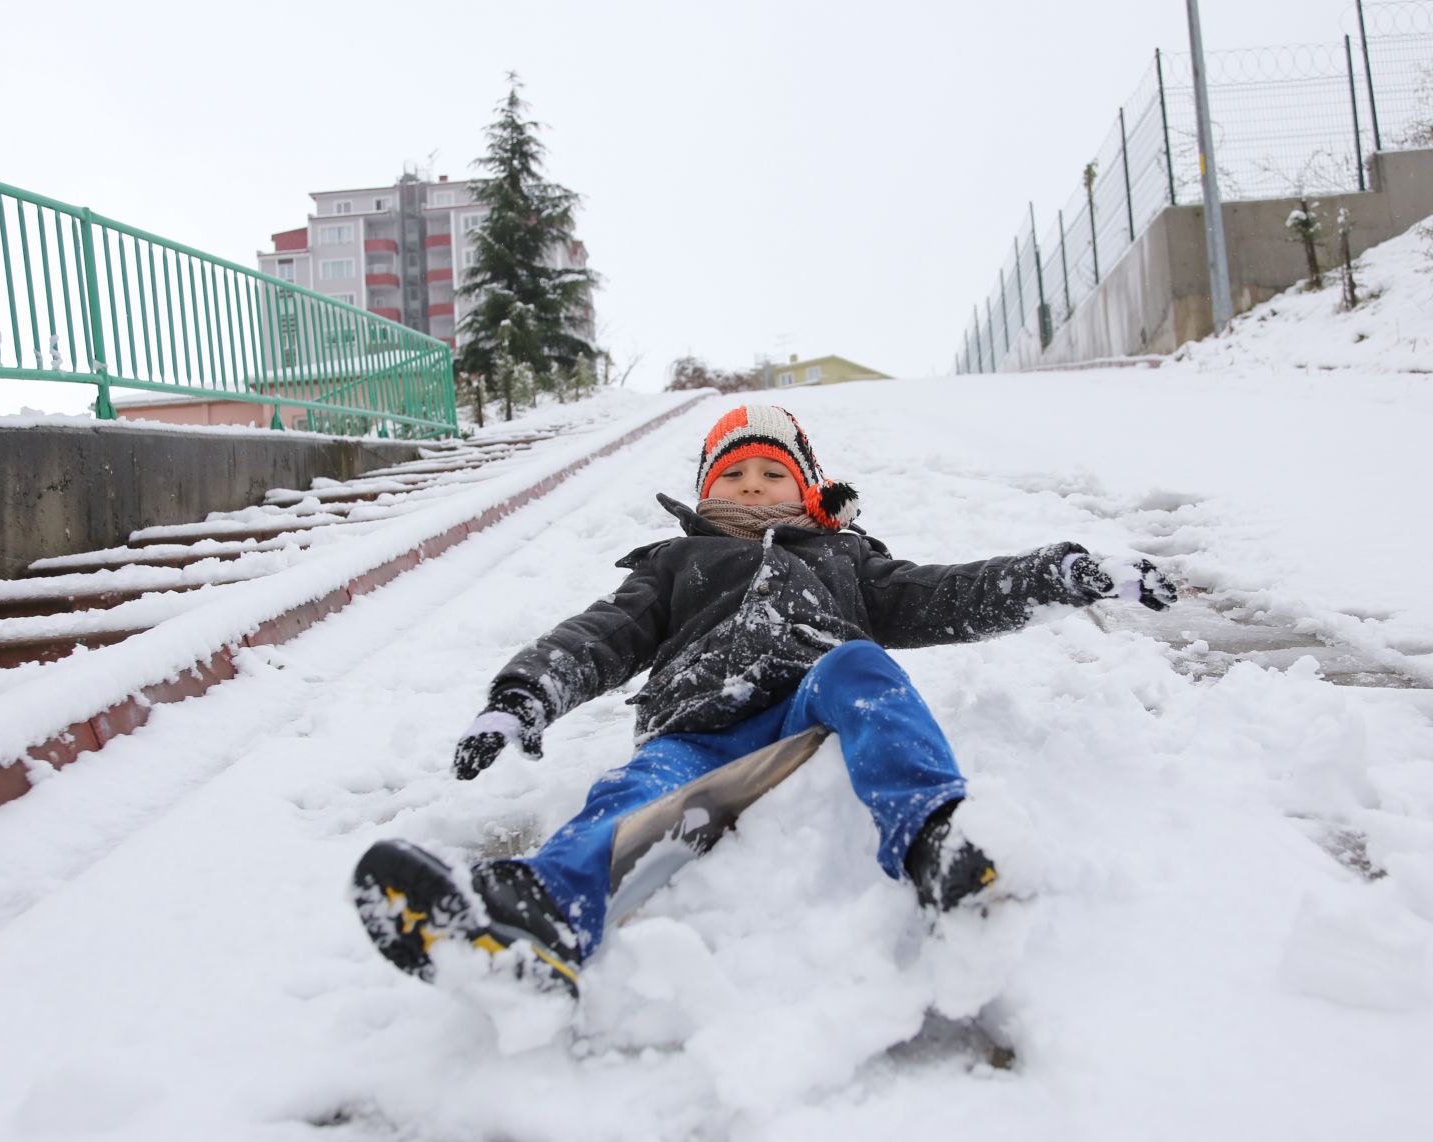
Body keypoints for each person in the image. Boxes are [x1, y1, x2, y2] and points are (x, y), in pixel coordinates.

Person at [353, 404, 1176, 994]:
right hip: (695, 727)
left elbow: (948, 594)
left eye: (772, 474)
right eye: (734, 474)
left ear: (807, 490)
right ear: (710, 488)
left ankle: (935, 836)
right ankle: (545, 910)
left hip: (810, 706)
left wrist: (1054, 575)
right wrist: (523, 695)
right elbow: (600, 634)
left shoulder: (849, 560)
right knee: (636, 790)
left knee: (861, 665)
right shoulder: (675, 565)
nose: (751, 487)